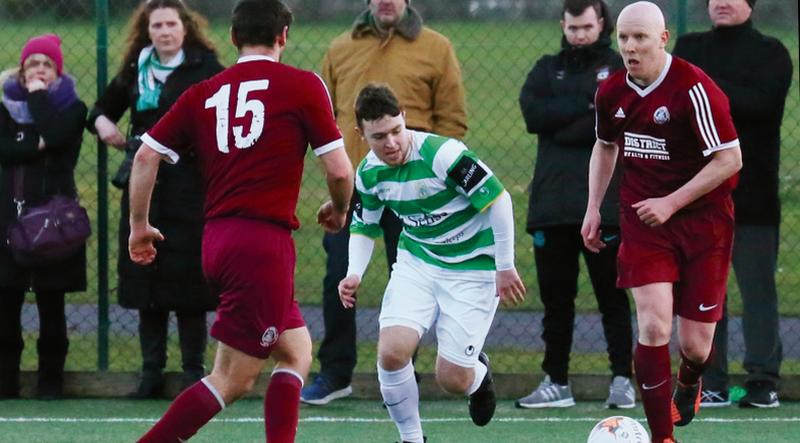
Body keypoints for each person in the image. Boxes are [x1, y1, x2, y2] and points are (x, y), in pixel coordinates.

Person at [129, 1, 353, 442]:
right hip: (261, 246)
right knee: (232, 378)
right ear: (283, 35)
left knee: (295, 351)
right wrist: (340, 208)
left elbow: (145, 154)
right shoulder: (304, 85)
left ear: (233, 38)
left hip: (218, 238)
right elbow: (341, 170)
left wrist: (139, 224)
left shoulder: (203, 91)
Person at [581, 2, 742, 442]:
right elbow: (605, 145)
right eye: (624, 39)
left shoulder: (694, 89)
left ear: (663, 39)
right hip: (644, 221)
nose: (630, 48)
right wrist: (594, 206)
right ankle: (661, 437)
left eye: (640, 38)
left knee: (696, 347)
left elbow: (730, 158)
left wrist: (672, 202)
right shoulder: (612, 92)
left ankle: (689, 380)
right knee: (653, 325)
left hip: (704, 224)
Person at [301, 0, 468, 405]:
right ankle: (336, 373)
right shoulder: (341, 48)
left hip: (416, 194)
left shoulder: (436, 47)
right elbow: (323, 121)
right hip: (358, 188)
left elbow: (453, 123)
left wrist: (435, 187)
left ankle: (419, 368)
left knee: (417, 279)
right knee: (338, 276)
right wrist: (339, 182)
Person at [339, 84, 525, 442]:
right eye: (379, 137)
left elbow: (499, 201)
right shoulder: (368, 173)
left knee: (452, 379)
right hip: (418, 262)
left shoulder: (443, 154)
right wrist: (353, 273)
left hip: (473, 267)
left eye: (396, 130)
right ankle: (412, 439)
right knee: (392, 354)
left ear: (405, 119)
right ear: (361, 134)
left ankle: (478, 376)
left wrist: (505, 265)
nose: (391, 142)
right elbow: (364, 225)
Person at [86, 0, 224, 398]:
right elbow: (100, 109)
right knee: (147, 274)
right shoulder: (136, 70)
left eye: (171, 24)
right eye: (157, 25)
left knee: (188, 281)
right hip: (144, 187)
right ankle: (151, 373)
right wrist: (104, 126)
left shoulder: (206, 69)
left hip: (189, 188)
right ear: (148, 30)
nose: (164, 31)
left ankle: (193, 372)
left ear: (185, 28)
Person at [673, 0, 792, 409]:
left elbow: (760, 106)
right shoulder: (689, 48)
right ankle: (711, 380)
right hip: (698, 197)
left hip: (754, 197)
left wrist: (703, 90)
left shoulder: (771, 53)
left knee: (758, 292)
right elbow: (678, 106)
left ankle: (762, 380)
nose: (721, 2)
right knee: (704, 292)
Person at [516, 0, 634, 410]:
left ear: (601, 23)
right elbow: (533, 113)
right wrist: (585, 106)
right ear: (562, 26)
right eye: (572, 27)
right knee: (556, 301)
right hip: (551, 203)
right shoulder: (546, 68)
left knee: (613, 297)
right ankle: (556, 381)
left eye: (586, 26)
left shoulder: (619, 67)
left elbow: (614, 122)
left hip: (605, 205)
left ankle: (622, 378)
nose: (580, 34)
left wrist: (571, 116)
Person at [0, 34, 88, 400]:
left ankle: (51, 381)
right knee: (6, 303)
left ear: (57, 71)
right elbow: (5, 152)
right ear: (21, 69)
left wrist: (37, 99)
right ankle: (6, 381)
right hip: (9, 218)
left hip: (55, 223)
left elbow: (56, 133)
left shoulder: (73, 108)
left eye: (46, 65)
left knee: (53, 304)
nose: (38, 70)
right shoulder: (3, 107)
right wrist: (34, 145)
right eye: (32, 64)